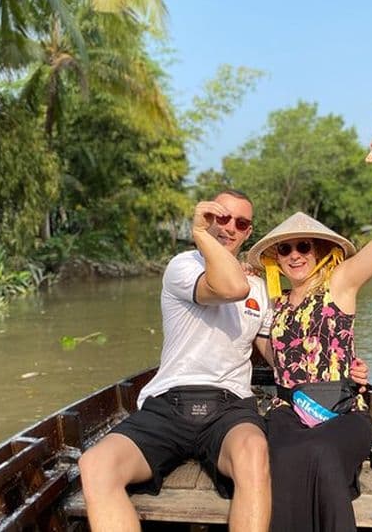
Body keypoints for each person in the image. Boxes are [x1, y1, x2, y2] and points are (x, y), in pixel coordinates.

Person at [79, 190, 273, 532]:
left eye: (240, 223)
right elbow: (229, 288)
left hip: (230, 407)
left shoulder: (260, 287)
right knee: (95, 464)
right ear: (208, 217)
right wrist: (198, 235)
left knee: (254, 452)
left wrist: (334, 364)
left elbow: (274, 353)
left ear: (248, 233)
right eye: (221, 217)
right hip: (168, 403)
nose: (229, 228)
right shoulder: (183, 266)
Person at [245, 142, 372, 532]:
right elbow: (277, 358)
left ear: (320, 251)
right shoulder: (276, 303)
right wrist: (250, 325)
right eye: (285, 249)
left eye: (304, 246)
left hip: (341, 414)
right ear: (277, 258)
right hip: (287, 415)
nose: (295, 255)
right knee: (283, 459)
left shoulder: (340, 283)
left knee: (318, 452)